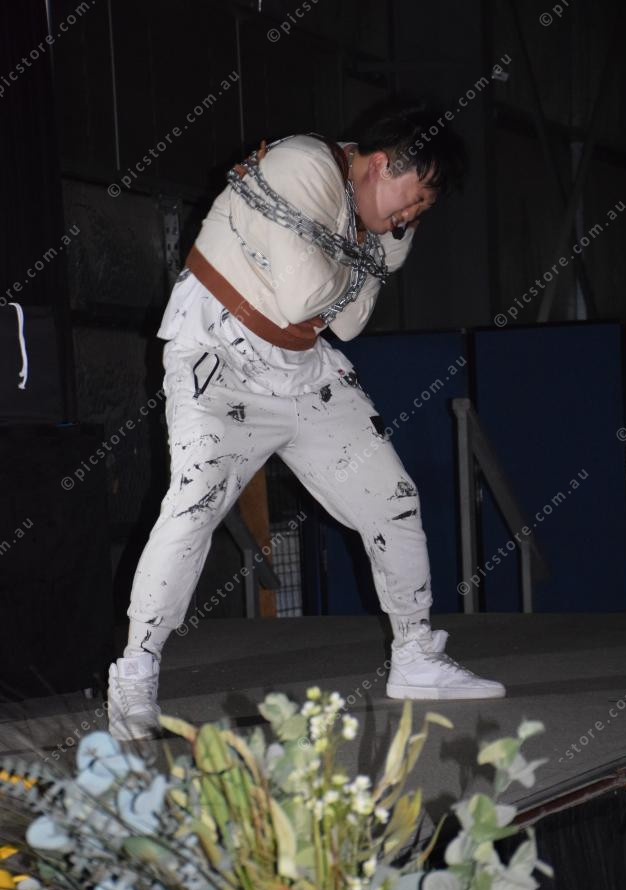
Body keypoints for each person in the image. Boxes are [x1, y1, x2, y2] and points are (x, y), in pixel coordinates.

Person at [107, 100, 505, 741]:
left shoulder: (376, 225)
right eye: (414, 198)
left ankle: (416, 657)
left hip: (302, 369)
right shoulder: (303, 166)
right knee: (193, 504)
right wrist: (361, 261)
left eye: (422, 210)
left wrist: (369, 248)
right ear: (381, 164)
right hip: (219, 358)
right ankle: (134, 675)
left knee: (393, 500)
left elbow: (347, 324)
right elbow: (301, 297)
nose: (410, 218)